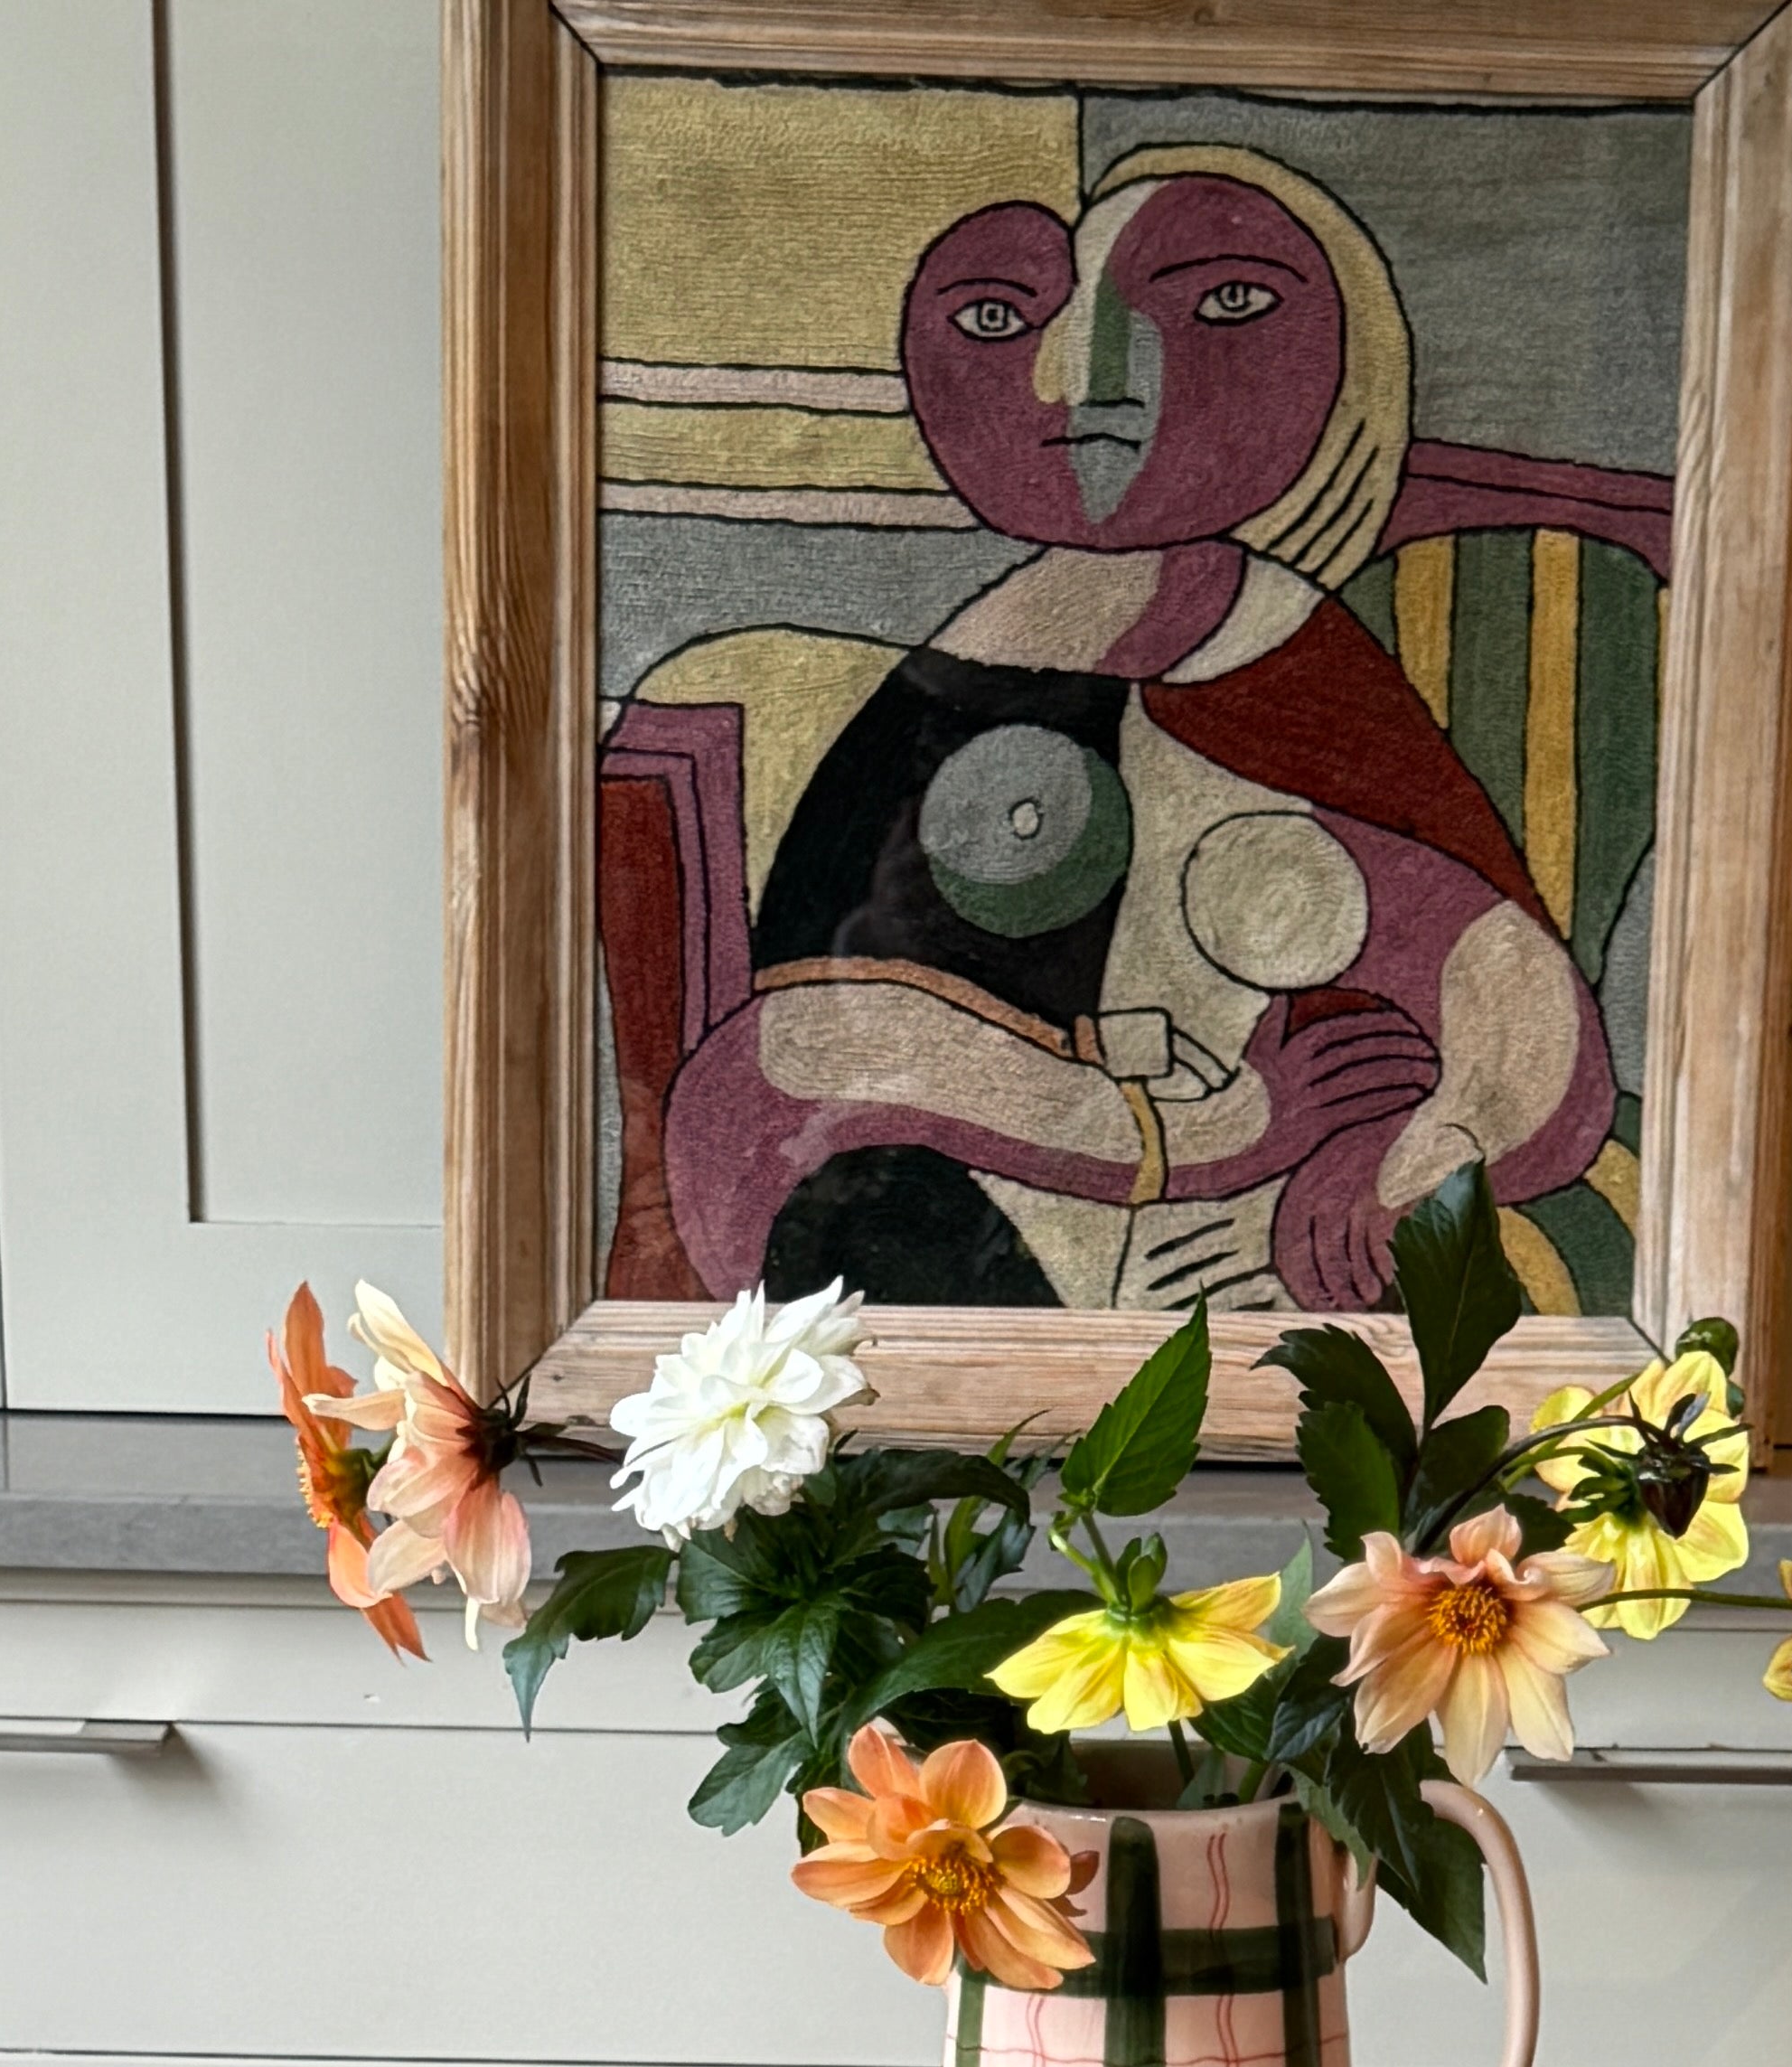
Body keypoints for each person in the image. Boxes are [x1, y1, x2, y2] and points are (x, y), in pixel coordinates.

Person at [608, 143, 1616, 1314]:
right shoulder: (966, 675)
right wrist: (1192, 1131)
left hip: (1219, 1260)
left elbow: (1497, 985)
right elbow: (793, 1057)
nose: (1090, 382)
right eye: (998, 318)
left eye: (1224, 306)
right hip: (980, 1219)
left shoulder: (1292, 667)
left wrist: (1418, 1160)